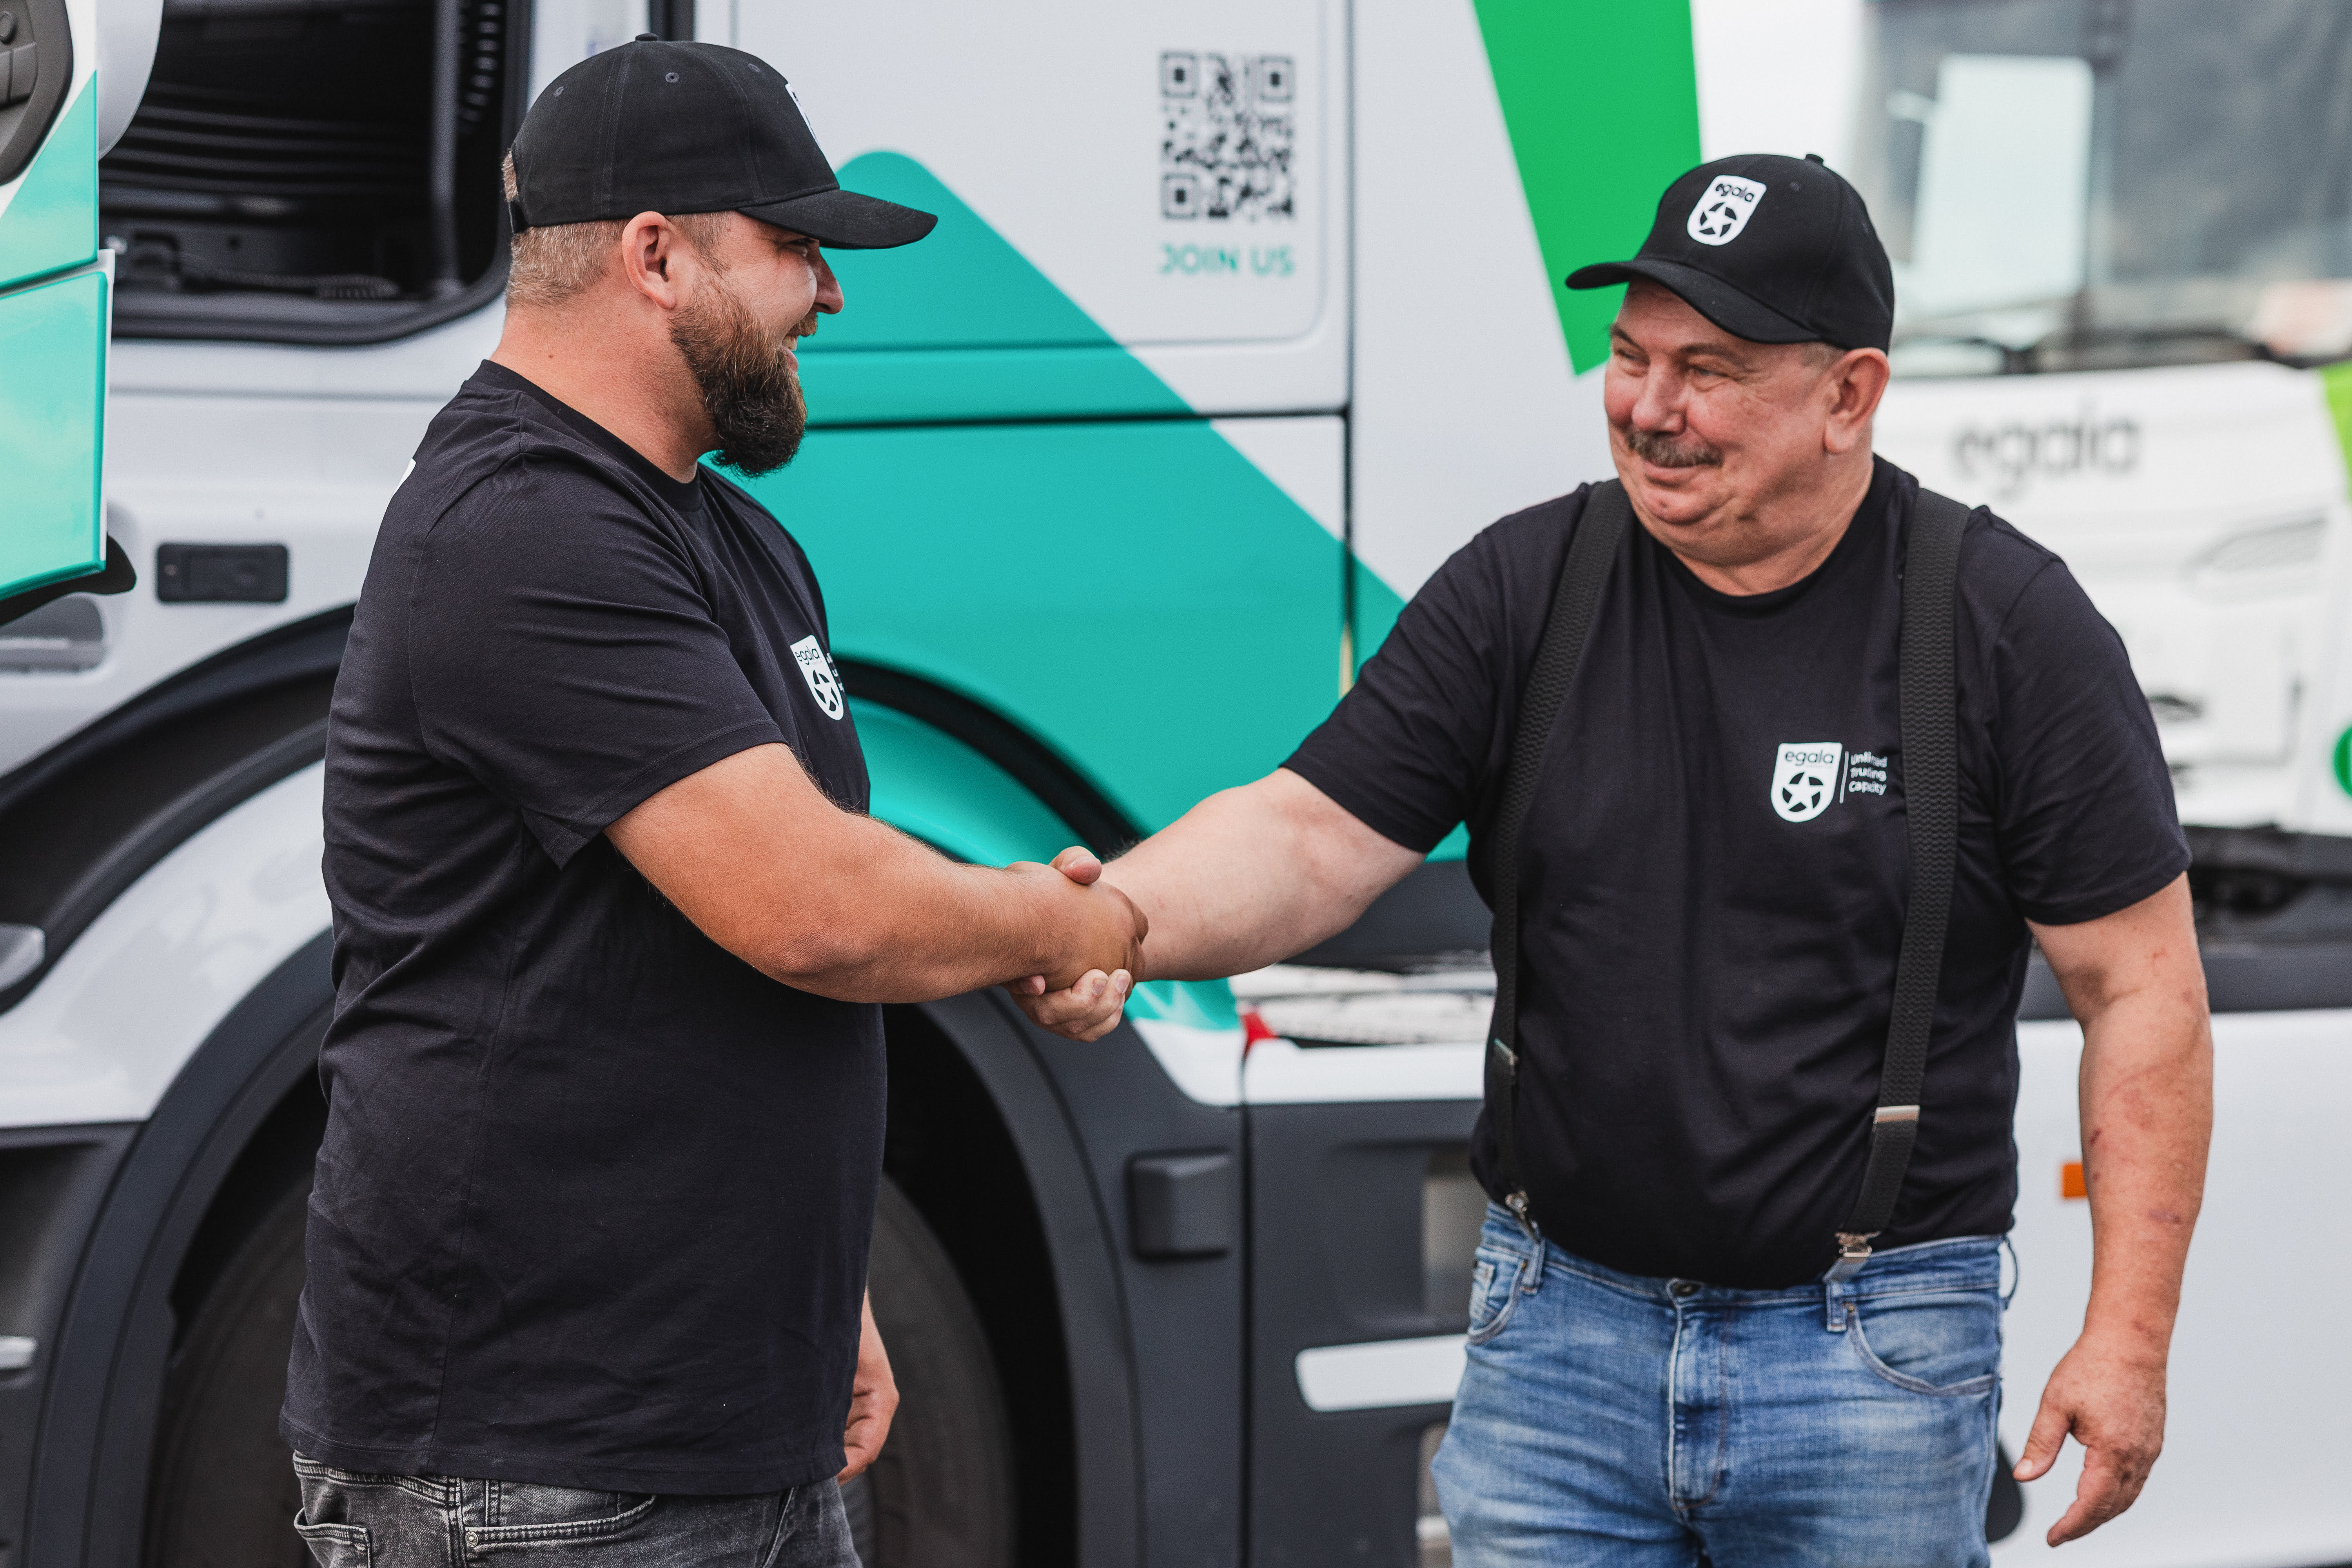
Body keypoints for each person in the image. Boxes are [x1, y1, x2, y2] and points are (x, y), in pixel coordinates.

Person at [1015, 154, 2211, 1565]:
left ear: (1851, 396)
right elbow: (1310, 833)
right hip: (1557, 1341)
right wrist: (1124, 921)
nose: (1652, 409)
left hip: (1873, 1355)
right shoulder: (1530, 590)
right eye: (1631, 356)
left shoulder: (2007, 628)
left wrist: (2126, 1340)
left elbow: (2139, 988)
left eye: (1710, 369)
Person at [282, 37, 1143, 1567]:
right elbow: (810, 908)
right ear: (657, 254)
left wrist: (823, 1291)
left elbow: (702, 971)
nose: (831, 292)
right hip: (538, 1468)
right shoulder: (521, 529)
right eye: (797, 247)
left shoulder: (729, 542)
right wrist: (1054, 918)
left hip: (734, 1423)